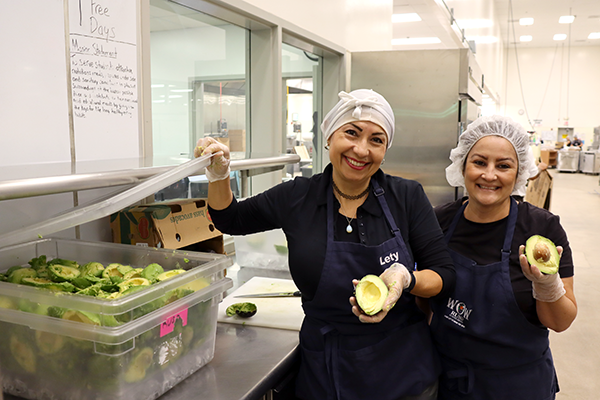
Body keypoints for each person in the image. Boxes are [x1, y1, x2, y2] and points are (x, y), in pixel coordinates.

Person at [194, 89, 456, 400]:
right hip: (326, 370)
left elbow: (444, 274)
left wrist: (407, 278)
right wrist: (218, 176)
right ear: (330, 136)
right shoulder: (297, 197)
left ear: (385, 150)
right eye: (352, 133)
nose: (361, 149)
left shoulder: (407, 197)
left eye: (376, 140)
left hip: (402, 371)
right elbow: (230, 219)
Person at [430, 115, 577, 399]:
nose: (489, 175)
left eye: (503, 166)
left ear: (519, 173)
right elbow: (426, 303)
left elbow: (561, 322)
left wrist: (547, 287)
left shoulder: (542, 229)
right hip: (448, 380)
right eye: (479, 162)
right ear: (463, 165)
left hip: (518, 384)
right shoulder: (440, 221)